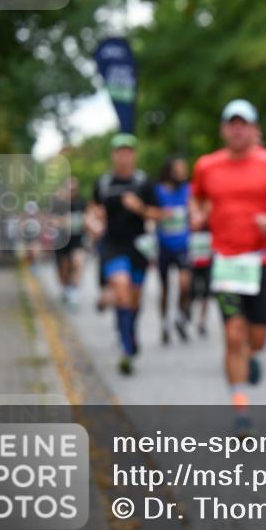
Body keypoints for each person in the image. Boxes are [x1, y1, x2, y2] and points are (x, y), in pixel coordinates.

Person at [189, 99, 266, 435]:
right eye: (231, 123)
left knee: (257, 337)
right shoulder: (207, 166)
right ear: (223, 129)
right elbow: (196, 197)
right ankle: (240, 408)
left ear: (254, 129)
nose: (238, 129)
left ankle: (251, 357)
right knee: (233, 334)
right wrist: (197, 213)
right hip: (225, 263)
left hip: (263, 261)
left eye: (244, 123)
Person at [87, 133, 161, 376]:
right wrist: (94, 223)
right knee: (121, 291)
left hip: (138, 246)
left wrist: (139, 207)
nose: (124, 156)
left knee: (134, 299)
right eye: (119, 151)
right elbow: (93, 211)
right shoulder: (104, 183)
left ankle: (130, 333)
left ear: (134, 155)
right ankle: (125, 348)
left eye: (128, 151)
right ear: (113, 155)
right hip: (113, 245)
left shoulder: (143, 183)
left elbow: (160, 215)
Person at [154, 156, 193, 345]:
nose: (183, 173)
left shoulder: (189, 190)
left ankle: (180, 316)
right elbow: (149, 212)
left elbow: (198, 208)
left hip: (183, 245)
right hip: (163, 246)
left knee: (185, 284)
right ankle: (164, 323)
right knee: (164, 289)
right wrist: (161, 215)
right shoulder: (158, 191)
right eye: (180, 169)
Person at [52, 177, 87, 308]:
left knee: (78, 262)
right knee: (64, 269)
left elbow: (87, 218)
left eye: (74, 189)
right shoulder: (59, 203)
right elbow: (51, 220)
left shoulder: (81, 203)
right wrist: (63, 222)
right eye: (69, 189)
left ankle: (75, 293)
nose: (71, 192)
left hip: (77, 240)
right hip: (61, 241)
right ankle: (66, 288)